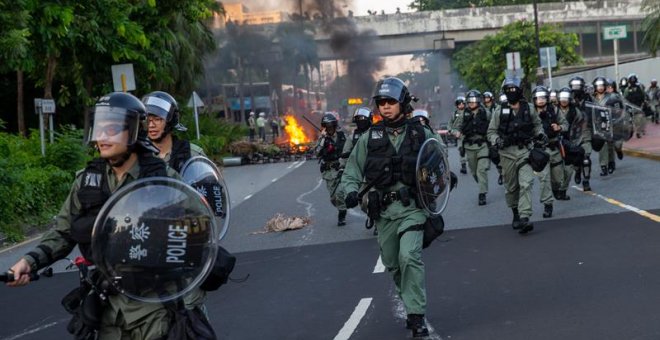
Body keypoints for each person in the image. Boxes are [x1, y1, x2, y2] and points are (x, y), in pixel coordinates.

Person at [6, 92, 208, 339]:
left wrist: (187, 302)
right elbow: (63, 231)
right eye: (99, 128)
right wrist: (29, 261)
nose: (102, 137)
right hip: (108, 307)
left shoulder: (162, 181)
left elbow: (198, 233)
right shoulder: (87, 182)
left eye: (111, 129)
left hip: (156, 306)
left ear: (133, 131)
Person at [342, 77, 443, 338]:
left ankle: (416, 315)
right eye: (381, 102)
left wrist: (443, 178)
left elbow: (439, 158)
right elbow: (352, 169)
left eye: (391, 102)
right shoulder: (368, 138)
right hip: (383, 213)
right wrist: (351, 192)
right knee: (393, 263)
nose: (385, 107)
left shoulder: (421, 132)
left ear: (403, 103)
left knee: (409, 257)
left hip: (413, 208)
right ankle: (411, 303)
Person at [487, 78, 545, 234]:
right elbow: (491, 132)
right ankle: (516, 213)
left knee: (526, 183)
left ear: (520, 90)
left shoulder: (529, 108)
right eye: (508, 89)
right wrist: (497, 140)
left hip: (525, 151)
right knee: (511, 188)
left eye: (514, 89)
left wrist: (540, 135)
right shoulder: (499, 110)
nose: (511, 92)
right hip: (506, 154)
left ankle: (525, 217)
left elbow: (538, 125)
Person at [143, 91, 206, 173]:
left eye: (157, 119)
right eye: (147, 120)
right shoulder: (137, 158)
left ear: (171, 121)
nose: (151, 125)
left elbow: (210, 184)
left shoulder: (193, 154)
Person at [531, 85, 568, 218]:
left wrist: (559, 127)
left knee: (558, 179)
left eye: (543, 97)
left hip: (554, 148)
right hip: (540, 150)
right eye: (537, 98)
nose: (540, 100)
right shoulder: (531, 112)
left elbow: (566, 125)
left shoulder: (555, 111)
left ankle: (556, 189)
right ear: (534, 100)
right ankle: (548, 204)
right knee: (543, 178)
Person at [453, 89, 490, 206]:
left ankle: (482, 193)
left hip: (483, 145)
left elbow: (494, 126)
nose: (471, 102)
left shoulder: (486, 113)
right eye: (469, 100)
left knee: (481, 170)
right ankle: (482, 184)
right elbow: (455, 127)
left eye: (474, 100)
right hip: (469, 147)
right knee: (474, 172)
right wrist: (456, 132)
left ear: (479, 100)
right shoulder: (463, 113)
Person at [315, 113, 348, 226]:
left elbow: (350, 148)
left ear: (334, 126)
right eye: (326, 126)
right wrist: (323, 139)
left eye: (330, 126)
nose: (329, 128)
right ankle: (341, 208)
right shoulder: (322, 139)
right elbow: (317, 152)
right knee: (333, 198)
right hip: (329, 171)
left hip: (341, 168)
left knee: (339, 193)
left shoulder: (342, 136)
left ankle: (342, 214)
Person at [556, 87, 589, 196]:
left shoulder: (576, 111)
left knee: (583, 159)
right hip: (558, 141)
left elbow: (581, 124)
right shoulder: (554, 110)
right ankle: (560, 189)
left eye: (566, 98)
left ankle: (584, 179)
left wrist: (580, 138)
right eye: (562, 98)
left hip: (573, 139)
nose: (564, 100)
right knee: (561, 167)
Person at [568, 76, 594, 192]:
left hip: (585, 132)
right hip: (572, 134)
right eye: (574, 87)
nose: (576, 90)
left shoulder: (589, 99)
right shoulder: (567, 100)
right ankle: (577, 170)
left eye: (578, 87)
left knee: (586, 158)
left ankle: (586, 180)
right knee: (575, 159)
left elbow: (597, 112)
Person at [449, 96, 468, 174]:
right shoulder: (454, 114)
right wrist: (453, 132)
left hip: (469, 134)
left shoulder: (469, 112)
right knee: (461, 149)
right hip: (460, 135)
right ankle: (463, 165)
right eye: (459, 104)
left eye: (462, 103)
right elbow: (450, 125)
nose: (461, 105)